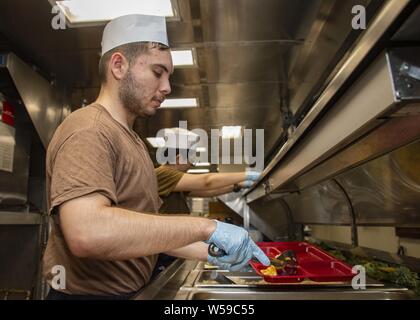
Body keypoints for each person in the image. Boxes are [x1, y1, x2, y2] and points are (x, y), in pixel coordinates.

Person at [42, 14, 269, 300]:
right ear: (118, 65)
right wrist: (206, 227)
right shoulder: (89, 129)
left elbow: (141, 231)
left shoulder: (133, 142)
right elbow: (86, 233)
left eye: (168, 76)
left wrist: (209, 251)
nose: (167, 87)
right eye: (157, 72)